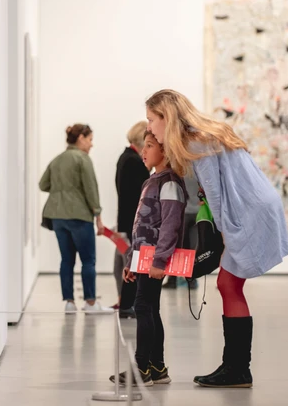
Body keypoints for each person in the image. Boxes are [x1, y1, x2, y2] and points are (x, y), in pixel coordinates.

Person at [145, 89, 288, 388]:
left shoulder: (195, 141)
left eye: (151, 119)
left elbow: (215, 194)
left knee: (229, 284)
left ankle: (237, 369)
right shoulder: (204, 134)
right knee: (228, 284)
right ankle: (236, 367)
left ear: (166, 117)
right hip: (255, 205)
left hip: (247, 212)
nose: (149, 127)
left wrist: (225, 235)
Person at [109, 131, 187, 386]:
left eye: (150, 146)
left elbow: (170, 226)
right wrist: (132, 259)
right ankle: (157, 367)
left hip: (154, 259)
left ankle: (141, 368)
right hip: (144, 258)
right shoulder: (153, 180)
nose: (144, 151)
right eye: (143, 146)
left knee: (143, 307)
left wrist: (159, 261)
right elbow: (140, 227)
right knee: (150, 307)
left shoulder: (170, 183)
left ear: (165, 151)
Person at [39, 124, 112, 313]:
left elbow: (42, 184)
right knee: (88, 260)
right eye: (90, 139)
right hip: (79, 216)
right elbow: (91, 189)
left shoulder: (57, 160)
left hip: (57, 217)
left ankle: (69, 303)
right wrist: (98, 217)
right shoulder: (83, 159)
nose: (91, 144)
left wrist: (61, 190)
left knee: (66, 260)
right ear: (80, 138)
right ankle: (90, 303)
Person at [112, 121, 150, 317]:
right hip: (132, 220)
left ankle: (126, 303)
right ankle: (127, 304)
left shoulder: (125, 157)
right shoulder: (134, 161)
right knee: (131, 262)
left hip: (125, 218)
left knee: (125, 261)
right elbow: (139, 194)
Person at [162, 175, 200, 289]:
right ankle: (191, 280)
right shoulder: (198, 170)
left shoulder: (179, 172)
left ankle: (173, 280)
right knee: (191, 249)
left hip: (183, 212)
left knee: (177, 248)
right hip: (197, 212)